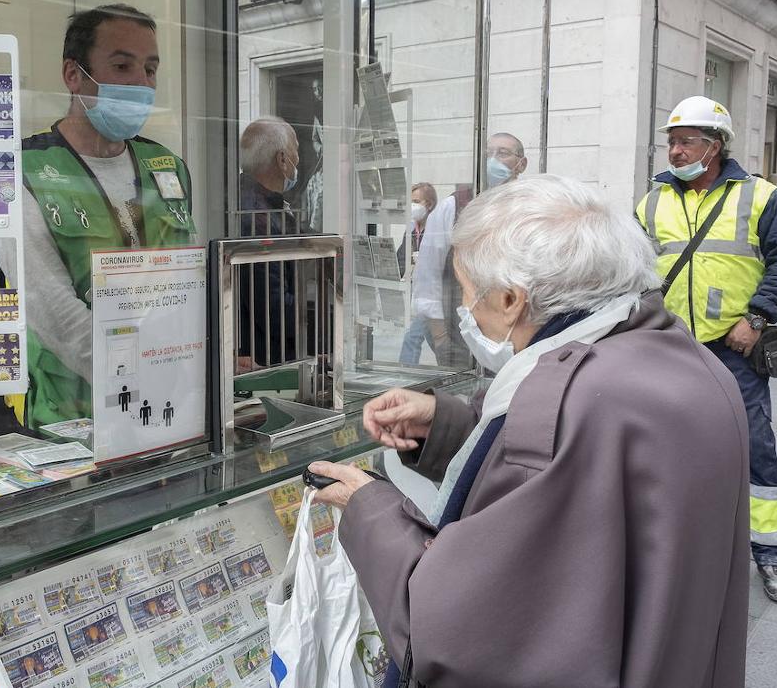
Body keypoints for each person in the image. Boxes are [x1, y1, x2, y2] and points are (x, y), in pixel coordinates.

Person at [309, 173, 749, 687]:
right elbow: (571, 480)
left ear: (513, 301)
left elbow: (455, 628)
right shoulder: (675, 354)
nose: (466, 309)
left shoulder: (565, 403)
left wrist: (370, 507)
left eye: (469, 293)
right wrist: (446, 422)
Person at [0, 4, 196, 430]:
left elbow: (191, 284)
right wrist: (142, 376)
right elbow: (54, 314)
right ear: (73, 75)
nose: (142, 83)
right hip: (73, 423)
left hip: (173, 407)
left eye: (151, 69)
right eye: (122, 65)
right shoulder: (20, 173)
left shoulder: (166, 166)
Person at [636, 95, 777, 603]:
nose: (675, 150)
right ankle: (676, 544)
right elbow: (631, 270)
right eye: (671, 141)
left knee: (754, 446)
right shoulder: (651, 202)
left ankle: (773, 555)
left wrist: (755, 319)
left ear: (714, 146)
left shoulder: (760, 197)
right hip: (668, 345)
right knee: (667, 445)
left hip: (735, 347)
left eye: (686, 140)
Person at [412, 133, 527, 366]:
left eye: (502, 153)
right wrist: (440, 336)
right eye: (487, 154)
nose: (492, 160)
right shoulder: (453, 206)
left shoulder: (529, 207)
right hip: (461, 337)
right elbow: (428, 274)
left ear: (521, 164)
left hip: (516, 336)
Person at [236, 117, 303, 370]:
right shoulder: (258, 218)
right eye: (296, 151)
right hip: (264, 359)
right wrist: (320, 315)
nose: (299, 160)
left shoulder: (255, 203)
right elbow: (273, 308)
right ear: (282, 159)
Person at [397, 182, 439, 365]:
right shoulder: (413, 229)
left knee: (412, 338)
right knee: (435, 340)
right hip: (420, 294)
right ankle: (452, 370)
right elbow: (401, 256)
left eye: (416, 201)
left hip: (433, 295)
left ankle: (404, 377)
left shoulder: (437, 227)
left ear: (428, 204)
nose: (412, 206)